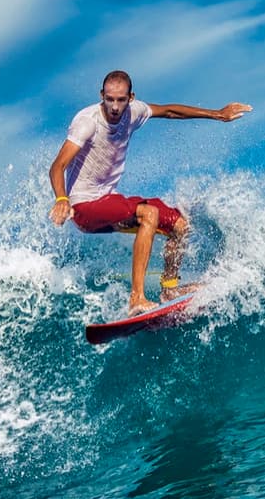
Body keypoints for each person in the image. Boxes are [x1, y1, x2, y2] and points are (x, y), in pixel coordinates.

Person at [49, 70, 252, 315]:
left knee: (179, 224)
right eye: (109, 99)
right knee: (149, 214)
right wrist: (61, 199)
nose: (114, 106)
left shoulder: (134, 112)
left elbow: (169, 111)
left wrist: (218, 114)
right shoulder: (87, 122)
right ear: (101, 95)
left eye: (121, 100)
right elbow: (58, 166)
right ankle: (137, 298)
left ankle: (169, 288)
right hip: (83, 206)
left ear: (131, 98)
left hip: (108, 200)